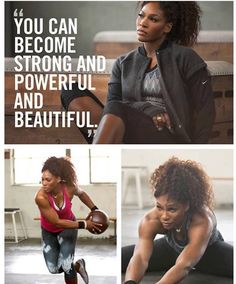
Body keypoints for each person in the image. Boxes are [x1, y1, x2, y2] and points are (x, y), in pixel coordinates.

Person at [61, 1, 215, 144]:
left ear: (167, 27)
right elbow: (112, 106)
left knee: (117, 109)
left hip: (167, 135)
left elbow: (205, 111)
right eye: (141, 16)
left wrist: (194, 150)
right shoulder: (123, 63)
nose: (143, 23)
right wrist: (148, 108)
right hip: (129, 130)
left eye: (153, 19)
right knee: (70, 91)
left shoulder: (185, 58)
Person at [122, 157, 233, 283]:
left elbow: (184, 265)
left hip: (209, 254)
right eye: (159, 207)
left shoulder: (202, 220)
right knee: (122, 256)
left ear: (187, 205)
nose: (164, 216)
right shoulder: (150, 219)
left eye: (171, 209)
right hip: (171, 250)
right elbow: (140, 257)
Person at [35, 156, 102, 284]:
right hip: (49, 231)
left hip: (68, 228)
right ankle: (77, 266)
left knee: (66, 265)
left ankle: (71, 266)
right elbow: (56, 222)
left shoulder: (70, 187)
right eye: (42, 179)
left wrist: (94, 209)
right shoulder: (41, 197)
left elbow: (82, 194)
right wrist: (84, 224)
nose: (44, 183)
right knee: (53, 269)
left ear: (59, 179)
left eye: (48, 180)